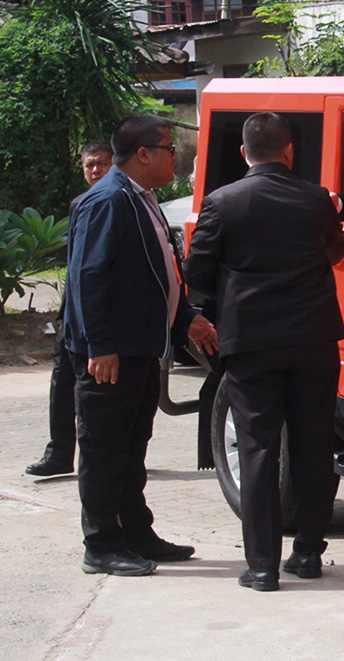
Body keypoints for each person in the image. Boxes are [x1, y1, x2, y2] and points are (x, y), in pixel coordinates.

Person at [185, 112, 344, 593]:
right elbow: (337, 248)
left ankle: (261, 566)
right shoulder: (315, 199)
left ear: (244, 153)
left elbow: (198, 271)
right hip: (313, 339)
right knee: (314, 444)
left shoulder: (222, 202)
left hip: (250, 341)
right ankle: (309, 554)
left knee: (257, 448)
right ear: (290, 150)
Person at [64, 116, 218, 577]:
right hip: (110, 353)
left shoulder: (142, 198)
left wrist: (185, 318)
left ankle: (136, 532)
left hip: (140, 347)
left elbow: (157, 274)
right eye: (169, 148)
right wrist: (102, 345)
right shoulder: (109, 201)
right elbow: (87, 277)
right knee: (104, 449)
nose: (177, 156)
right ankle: (102, 544)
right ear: (143, 154)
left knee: (132, 446)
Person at [26, 142, 113, 478]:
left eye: (102, 164)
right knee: (62, 383)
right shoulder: (80, 204)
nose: (95, 171)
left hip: (100, 321)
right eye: (90, 165)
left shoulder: (119, 204)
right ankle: (59, 452)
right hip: (72, 313)